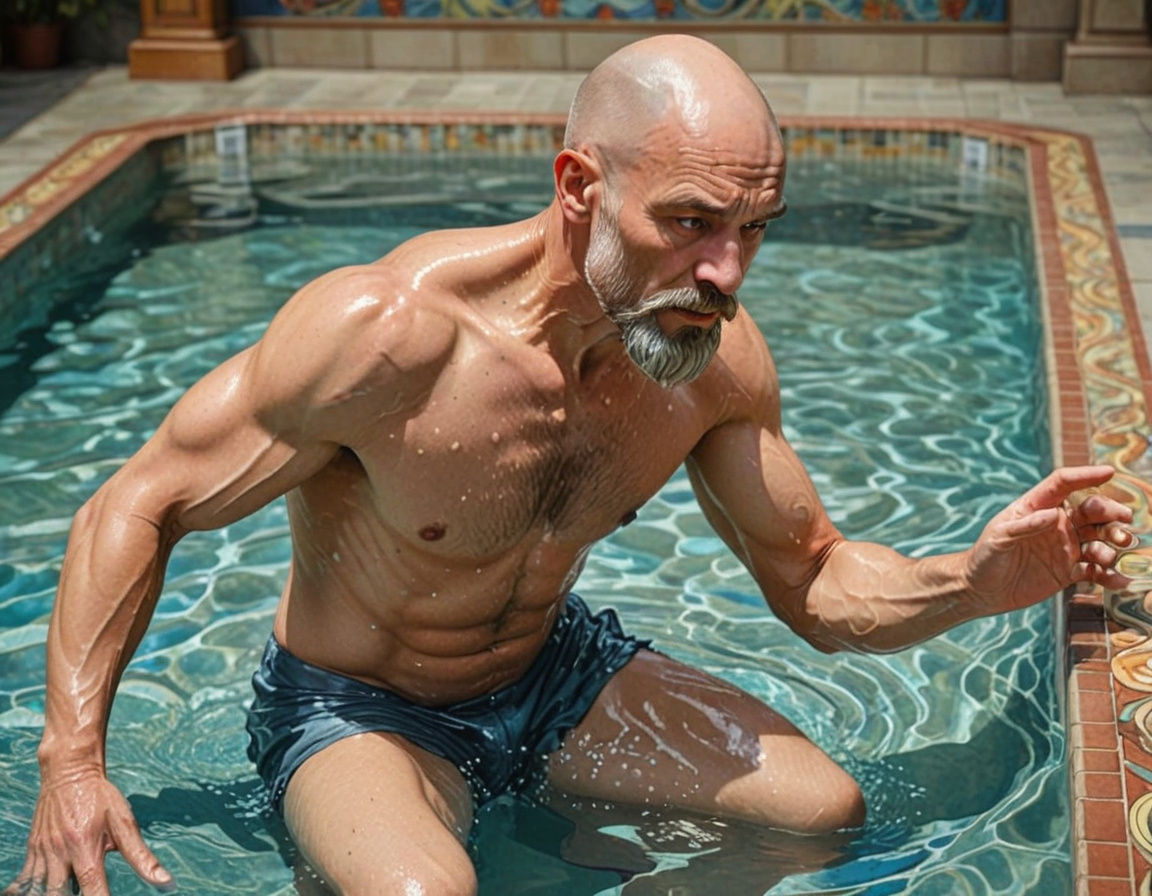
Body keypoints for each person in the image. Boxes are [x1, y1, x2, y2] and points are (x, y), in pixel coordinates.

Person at [6, 34, 1134, 896]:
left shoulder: (710, 362)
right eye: (691, 222)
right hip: (360, 704)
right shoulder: (391, 336)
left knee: (819, 810)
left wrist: (977, 579)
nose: (727, 271)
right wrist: (71, 759)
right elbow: (137, 502)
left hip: (555, 673)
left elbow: (818, 579)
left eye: (755, 228)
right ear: (580, 186)